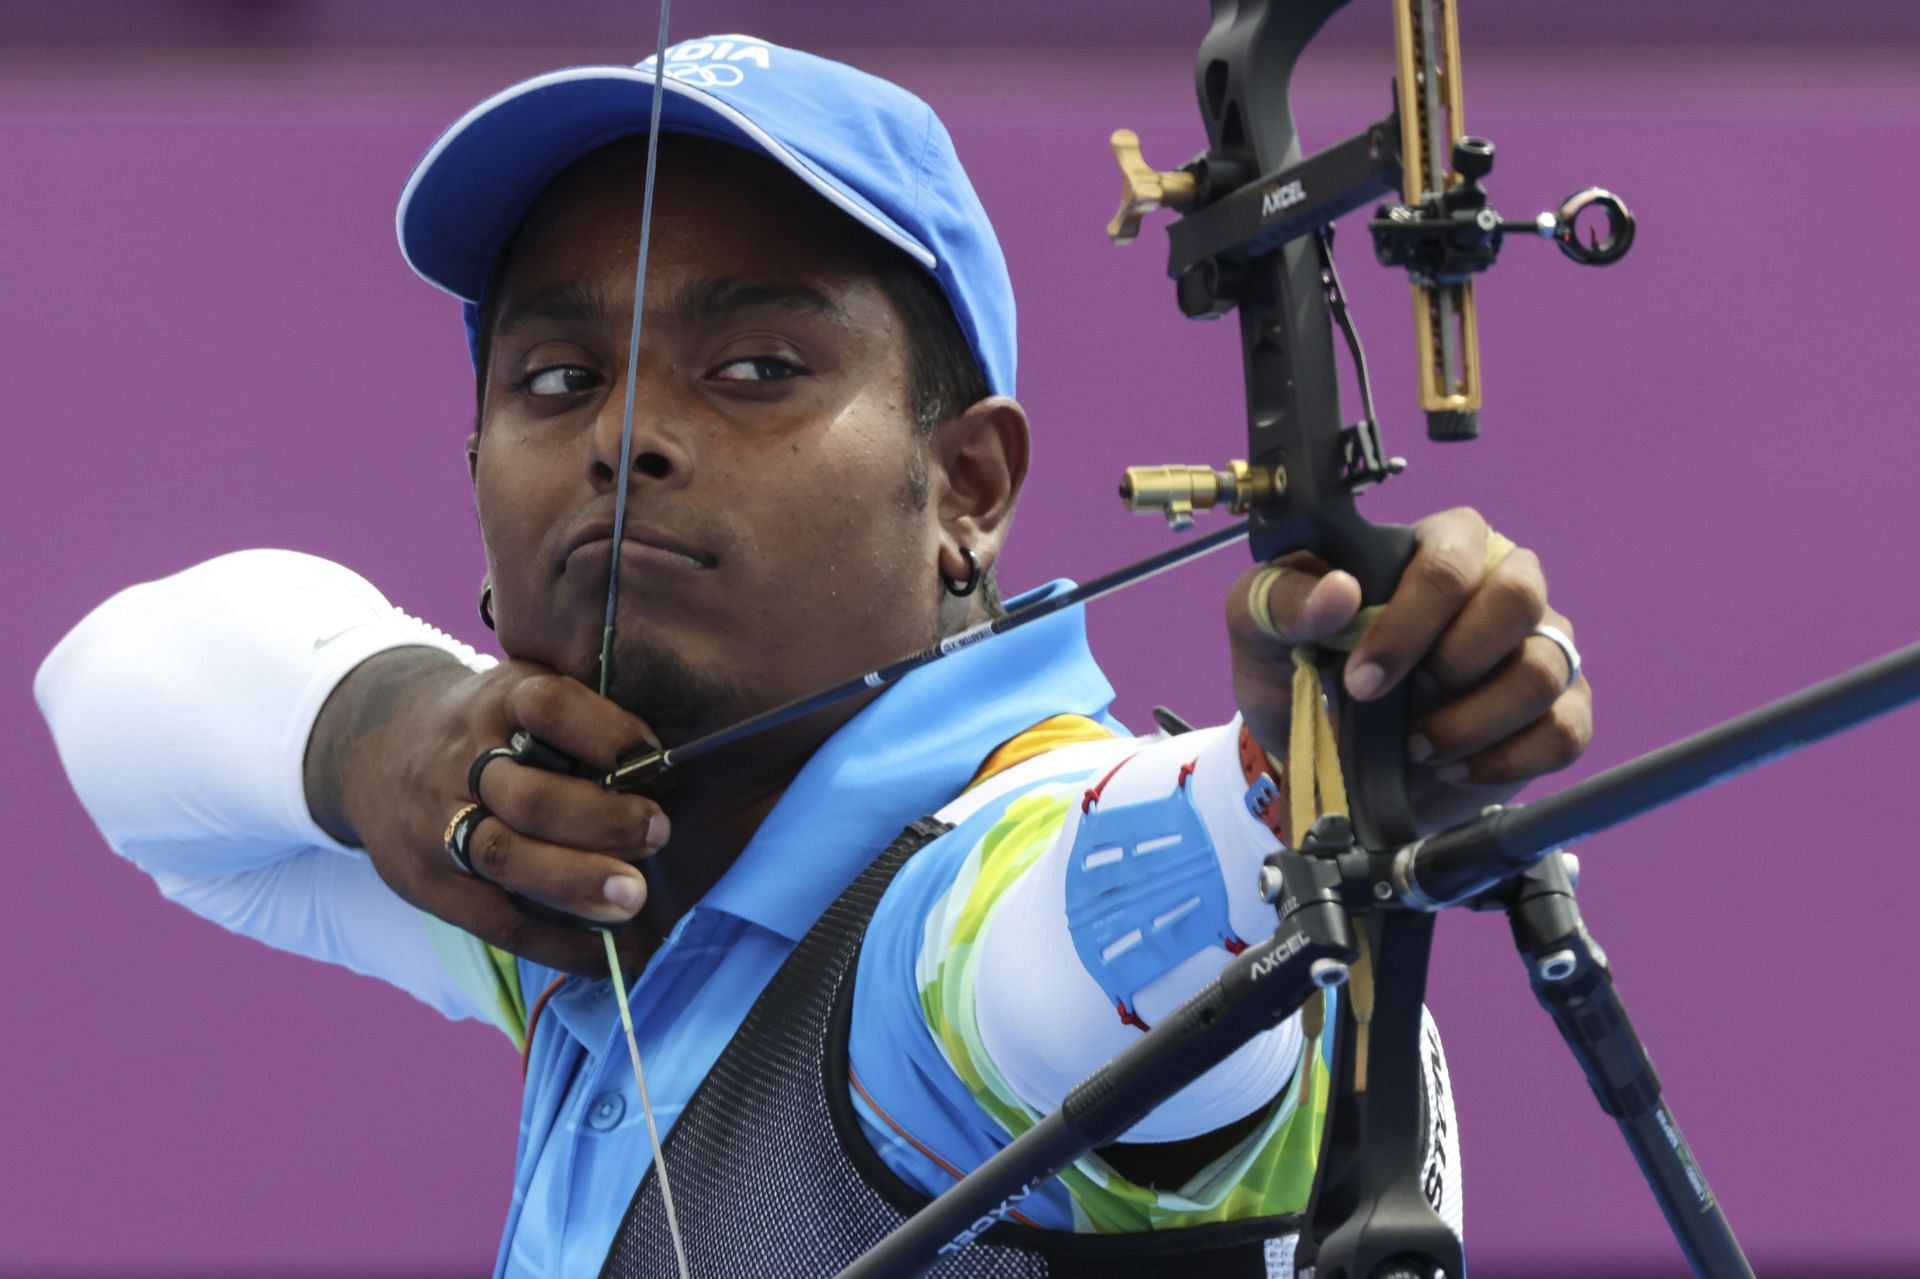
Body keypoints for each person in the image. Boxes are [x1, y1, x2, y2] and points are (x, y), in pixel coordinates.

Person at [35, 35, 1590, 1278]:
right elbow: (110, 689)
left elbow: (1073, 944)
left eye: (759, 369)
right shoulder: (584, 890)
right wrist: (386, 726)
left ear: (966, 487)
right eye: (557, 377)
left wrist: (1302, 771)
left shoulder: (964, 923)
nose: (625, 438)